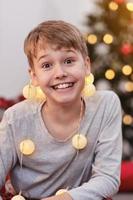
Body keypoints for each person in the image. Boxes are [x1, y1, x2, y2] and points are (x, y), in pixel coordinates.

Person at [0, 20, 122, 200]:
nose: (60, 73)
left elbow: (108, 179)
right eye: (47, 65)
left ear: (86, 65)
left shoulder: (106, 105)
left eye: (68, 61)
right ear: (34, 76)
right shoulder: (16, 118)